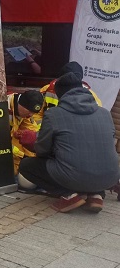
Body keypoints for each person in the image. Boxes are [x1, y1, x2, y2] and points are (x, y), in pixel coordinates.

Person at [18, 72, 119, 213]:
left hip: (75, 176)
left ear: (60, 95)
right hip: (110, 176)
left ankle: (69, 194)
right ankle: (96, 195)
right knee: (89, 163)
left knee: (27, 165)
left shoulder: (54, 115)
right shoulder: (104, 113)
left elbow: (42, 150)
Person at [8, 90, 44, 175]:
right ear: (21, 103)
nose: (31, 115)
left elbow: (33, 132)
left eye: (34, 112)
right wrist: (23, 156)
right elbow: (1, 143)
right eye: (29, 111)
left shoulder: (25, 113)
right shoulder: (4, 107)